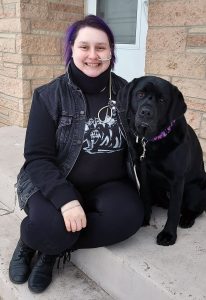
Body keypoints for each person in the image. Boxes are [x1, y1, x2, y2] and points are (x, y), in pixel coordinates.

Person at [9, 14, 144, 293]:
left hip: (108, 185)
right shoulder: (48, 95)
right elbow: (37, 157)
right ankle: (33, 241)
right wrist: (66, 201)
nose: (93, 55)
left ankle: (51, 247)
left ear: (111, 52)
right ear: (71, 49)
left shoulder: (126, 92)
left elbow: (147, 131)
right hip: (53, 183)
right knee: (53, 225)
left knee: (130, 217)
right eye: (84, 47)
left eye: (101, 47)